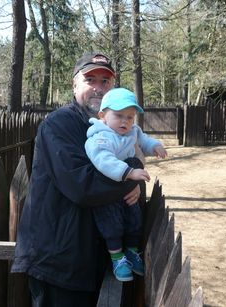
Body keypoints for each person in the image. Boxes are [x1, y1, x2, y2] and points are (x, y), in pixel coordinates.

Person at [11, 52, 143, 307]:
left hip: (89, 258)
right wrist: (131, 179)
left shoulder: (112, 125)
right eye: (90, 79)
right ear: (74, 86)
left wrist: (134, 170)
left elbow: (130, 157)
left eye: (105, 81)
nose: (98, 87)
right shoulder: (60, 124)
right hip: (58, 260)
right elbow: (83, 186)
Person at [85, 87, 167, 282]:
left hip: (126, 188)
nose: (125, 121)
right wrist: (129, 172)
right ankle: (117, 258)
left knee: (134, 219)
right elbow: (102, 159)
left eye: (130, 117)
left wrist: (154, 146)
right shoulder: (101, 136)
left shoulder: (132, 131)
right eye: (119, 115)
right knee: (111, 224)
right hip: (107, 190)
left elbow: (143, 139)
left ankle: (131, 252)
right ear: (103, 116)